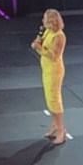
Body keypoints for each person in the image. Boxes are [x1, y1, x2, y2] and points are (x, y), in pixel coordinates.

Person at [32, 9, 68, 145]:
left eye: (45, 19)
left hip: (54, 71)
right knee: (49, 98)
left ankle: (61, 131)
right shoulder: (47, 31)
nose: (42, 21)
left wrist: (39, 49)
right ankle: (54, 126)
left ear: (51, 21)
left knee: (54, 99)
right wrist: (38, 41)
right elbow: (41, 42)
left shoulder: (59, 36)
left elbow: (54, 56)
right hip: (46, 69)